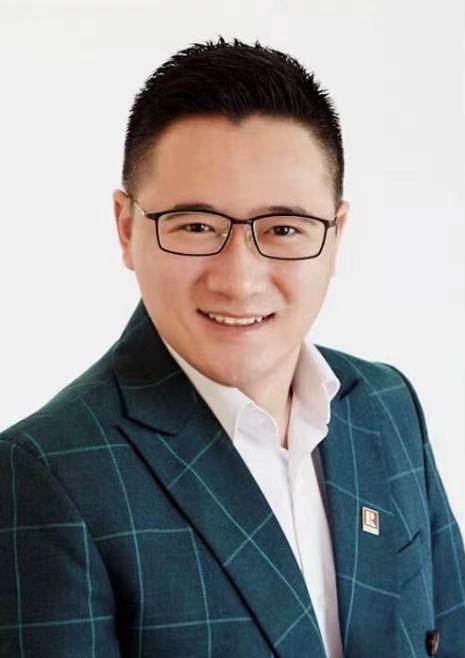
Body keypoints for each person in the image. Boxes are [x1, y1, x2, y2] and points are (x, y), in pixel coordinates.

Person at [0, 36, 463, 658]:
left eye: (284, 228)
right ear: (126, 229)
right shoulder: (47, 475)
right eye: (196, 226)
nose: (240, 279)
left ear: (336, 235)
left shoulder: (386, 405)